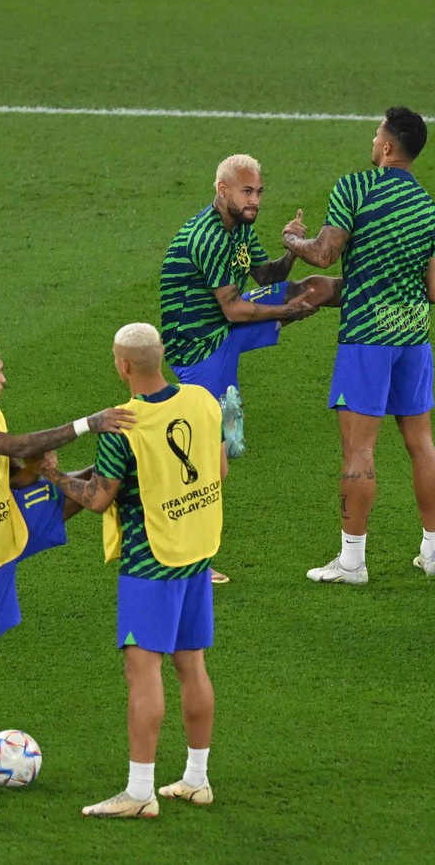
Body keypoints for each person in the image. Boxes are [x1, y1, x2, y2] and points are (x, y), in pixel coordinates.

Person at [0, 337, 133, 810]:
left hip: (6, 522)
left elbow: (9, 471)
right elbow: (16, 445)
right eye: (0, 372)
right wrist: (87, 424)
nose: (5, 379)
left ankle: (140, 464)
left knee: (97, 484)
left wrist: (37, 471)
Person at [41, 323, 227, 819]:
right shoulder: (203, 401)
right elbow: (221, 470)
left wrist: (55, 475)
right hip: (198, 552)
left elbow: (99, 498)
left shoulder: (121, 425)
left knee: (142, 672)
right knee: (193, 665)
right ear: (160, 356)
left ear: (122, 365)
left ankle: (140, 791)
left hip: (151, 561)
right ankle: (196, 779)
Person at [281, 107, 435, 584]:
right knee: (421, 443)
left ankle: (353, 562)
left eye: (377, 131)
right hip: (414, 339)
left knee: (359, 452)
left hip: (367, 340)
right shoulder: (429, 208)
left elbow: (324, 252)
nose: (373, 137)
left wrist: (292, 239)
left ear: (387, 147)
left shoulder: (355, 188)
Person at [160, 153, 332, 582]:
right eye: (246, 191)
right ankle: (189, 558)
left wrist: (291, 250)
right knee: (207, 462)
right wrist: (283, 312)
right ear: (223, 191)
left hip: (222, 329)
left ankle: (387, 291)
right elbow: (234, 309)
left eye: (258, 191)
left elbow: (264, 276)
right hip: (200, 346)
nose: (255, 199)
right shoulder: (210, 237)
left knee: (308, 290)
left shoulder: (240, 227)